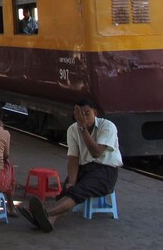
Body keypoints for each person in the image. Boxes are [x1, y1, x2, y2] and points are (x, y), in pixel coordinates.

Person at [23, 99, 123, 233]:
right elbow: (73, 158)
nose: (84, 118)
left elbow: (96, 152)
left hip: (106, 171)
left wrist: (82, 128)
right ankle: (50, 220)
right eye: (80, 115)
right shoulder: (72, 129)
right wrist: (71, 181)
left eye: (87, 114)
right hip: (85, 168)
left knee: (77, 192)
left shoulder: (108, 126)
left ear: (95, 112)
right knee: (68, 190)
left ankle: (44, 212)